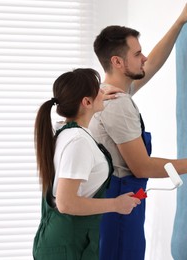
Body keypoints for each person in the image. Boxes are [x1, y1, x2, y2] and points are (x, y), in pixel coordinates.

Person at [89, 1, 187, 260]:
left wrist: (180, 22)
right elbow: (142, 167)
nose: (143, 58)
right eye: (137, 54)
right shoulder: (117, 106)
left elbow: (150, 65)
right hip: (120, 205)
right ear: (117, 62)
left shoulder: (105, 93)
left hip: (118, 203)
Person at [32, 68, 141, 260]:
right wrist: (116, 204)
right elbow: (66, 203)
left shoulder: (65, 132)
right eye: (98, 90)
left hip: (65, 240)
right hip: (68, 244)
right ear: (86, 101)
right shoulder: (78, 142)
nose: (103, 91)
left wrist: (97, 101)